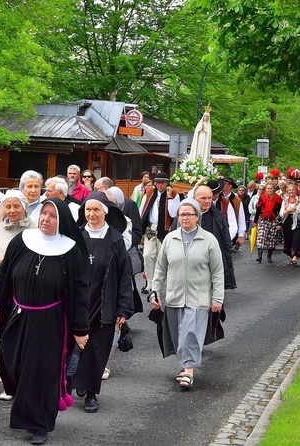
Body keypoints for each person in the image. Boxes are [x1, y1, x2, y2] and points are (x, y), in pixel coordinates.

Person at [0, 198, 90, 445]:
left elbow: (80, 292)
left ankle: (40, 422)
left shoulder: (71, 250)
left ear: (61, 220)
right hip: (19, 315)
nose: (46, 219)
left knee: (42, 371)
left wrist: (80, 328)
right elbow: (3, 275)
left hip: (50, 321)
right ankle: (28, 411)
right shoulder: (23, 241)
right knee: (15, 364)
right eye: (44, 213)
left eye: (53, 216)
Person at [150, 198, 223, 390]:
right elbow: (160, 268)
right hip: (174, 296)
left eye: (189, 214)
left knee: (191, 333)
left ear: (197, 217)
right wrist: (155, 291)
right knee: (178, 335)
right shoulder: (170, 239)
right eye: (182, 214)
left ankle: (189, 371)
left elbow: (217, 272)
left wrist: (218, 298)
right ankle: (185, 365)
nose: (185, 218)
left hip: (199, 298)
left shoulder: (209, 240)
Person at [73, 192, 133, 413]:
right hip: (79, 302)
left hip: (104, 302)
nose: (91, 214)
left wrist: (123, 308)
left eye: (96, 209)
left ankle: (91, 394)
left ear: (106, 212)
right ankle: (79, 381)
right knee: (76, 345)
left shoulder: (115, 239)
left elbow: (125, 276)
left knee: (97, 350)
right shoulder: (76, 236)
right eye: (88, 210)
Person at [0, 189, 37, 401]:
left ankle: (28, 382)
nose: (12, 210)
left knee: (29, 339)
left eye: (17, 206)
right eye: (8, 206)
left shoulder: (36, 228)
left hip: (31, 293)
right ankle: (9, 384)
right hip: (4, 291)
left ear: (24, 207)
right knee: (5, 340)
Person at [139, 172, 180, 293]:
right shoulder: (150, 192)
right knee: (147, 255)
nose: (159, 185)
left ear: (167, 183)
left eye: (162, 182)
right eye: (157, 182)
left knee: (166, 259)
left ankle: (168, 283)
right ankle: (150, 283)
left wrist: (171, 197)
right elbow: (142, 208)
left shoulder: (174, 193)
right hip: (151, 228)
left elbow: (173, 214)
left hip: (165, 230)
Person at [280, 187, 300, 266]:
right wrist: (288, 210)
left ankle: (295, 257)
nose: (291, 191)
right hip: (287, 221)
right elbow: (281, 214)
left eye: (293, 190)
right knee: (288, 238)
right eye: (290, 190)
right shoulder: (285, 201)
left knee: (297, 238)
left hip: (298, 221)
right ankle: (291, 255)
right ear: (287, 191)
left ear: (296, 191)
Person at [255, 182, 283, 263]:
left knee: (271, 238)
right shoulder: (262, 197)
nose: (269, 190)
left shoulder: (278, 198)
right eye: (268, 188)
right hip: (263, 219)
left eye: (271, 188)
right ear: (265, 189)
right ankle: (259, 256)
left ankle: (269, 257)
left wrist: (279, 223)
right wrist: (255, 221)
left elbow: (280, 212)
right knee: (261, 236)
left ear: (274, 189)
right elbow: (258, 209)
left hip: (273, 220)